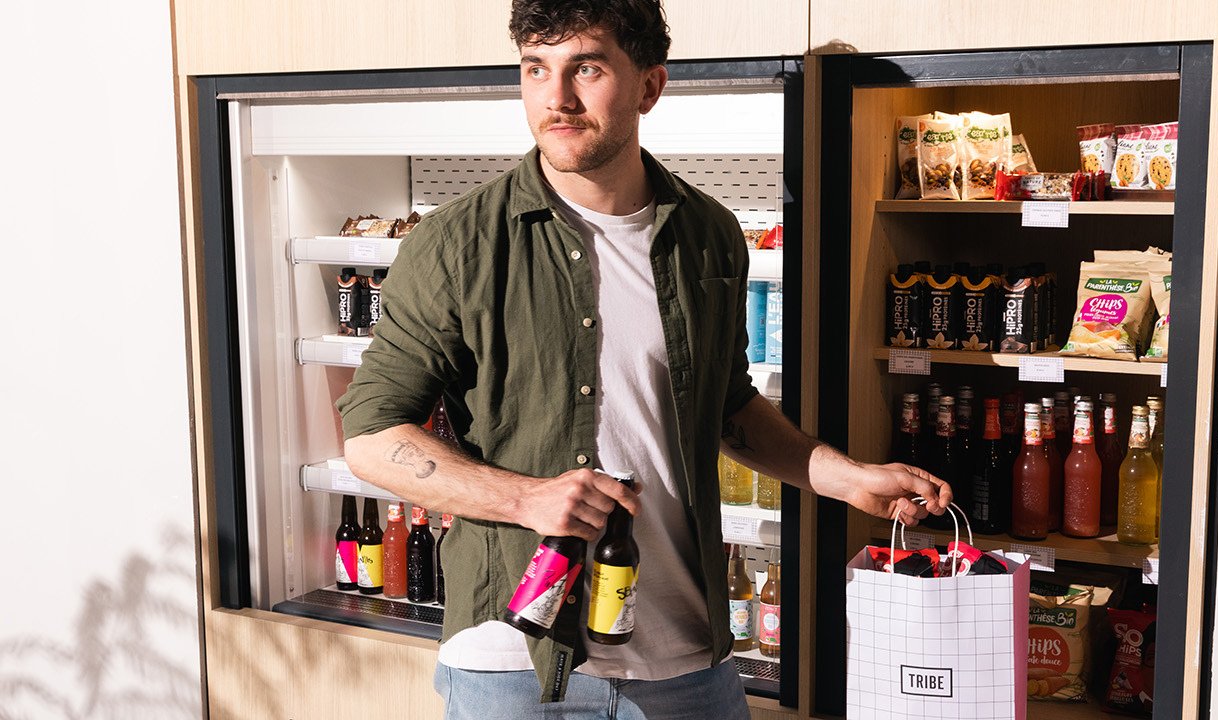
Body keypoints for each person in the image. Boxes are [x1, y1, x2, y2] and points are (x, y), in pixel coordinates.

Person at [336, 1, 951, 717]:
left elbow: (724, 403)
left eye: (586, 69)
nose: (556, 98)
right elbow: (371, 437)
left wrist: (845, 478)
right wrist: (525, 498)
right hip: (515, 662)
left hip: (687, 662)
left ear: (649, 87)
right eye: (537, 70)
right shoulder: (457, 245)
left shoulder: (708, 235)